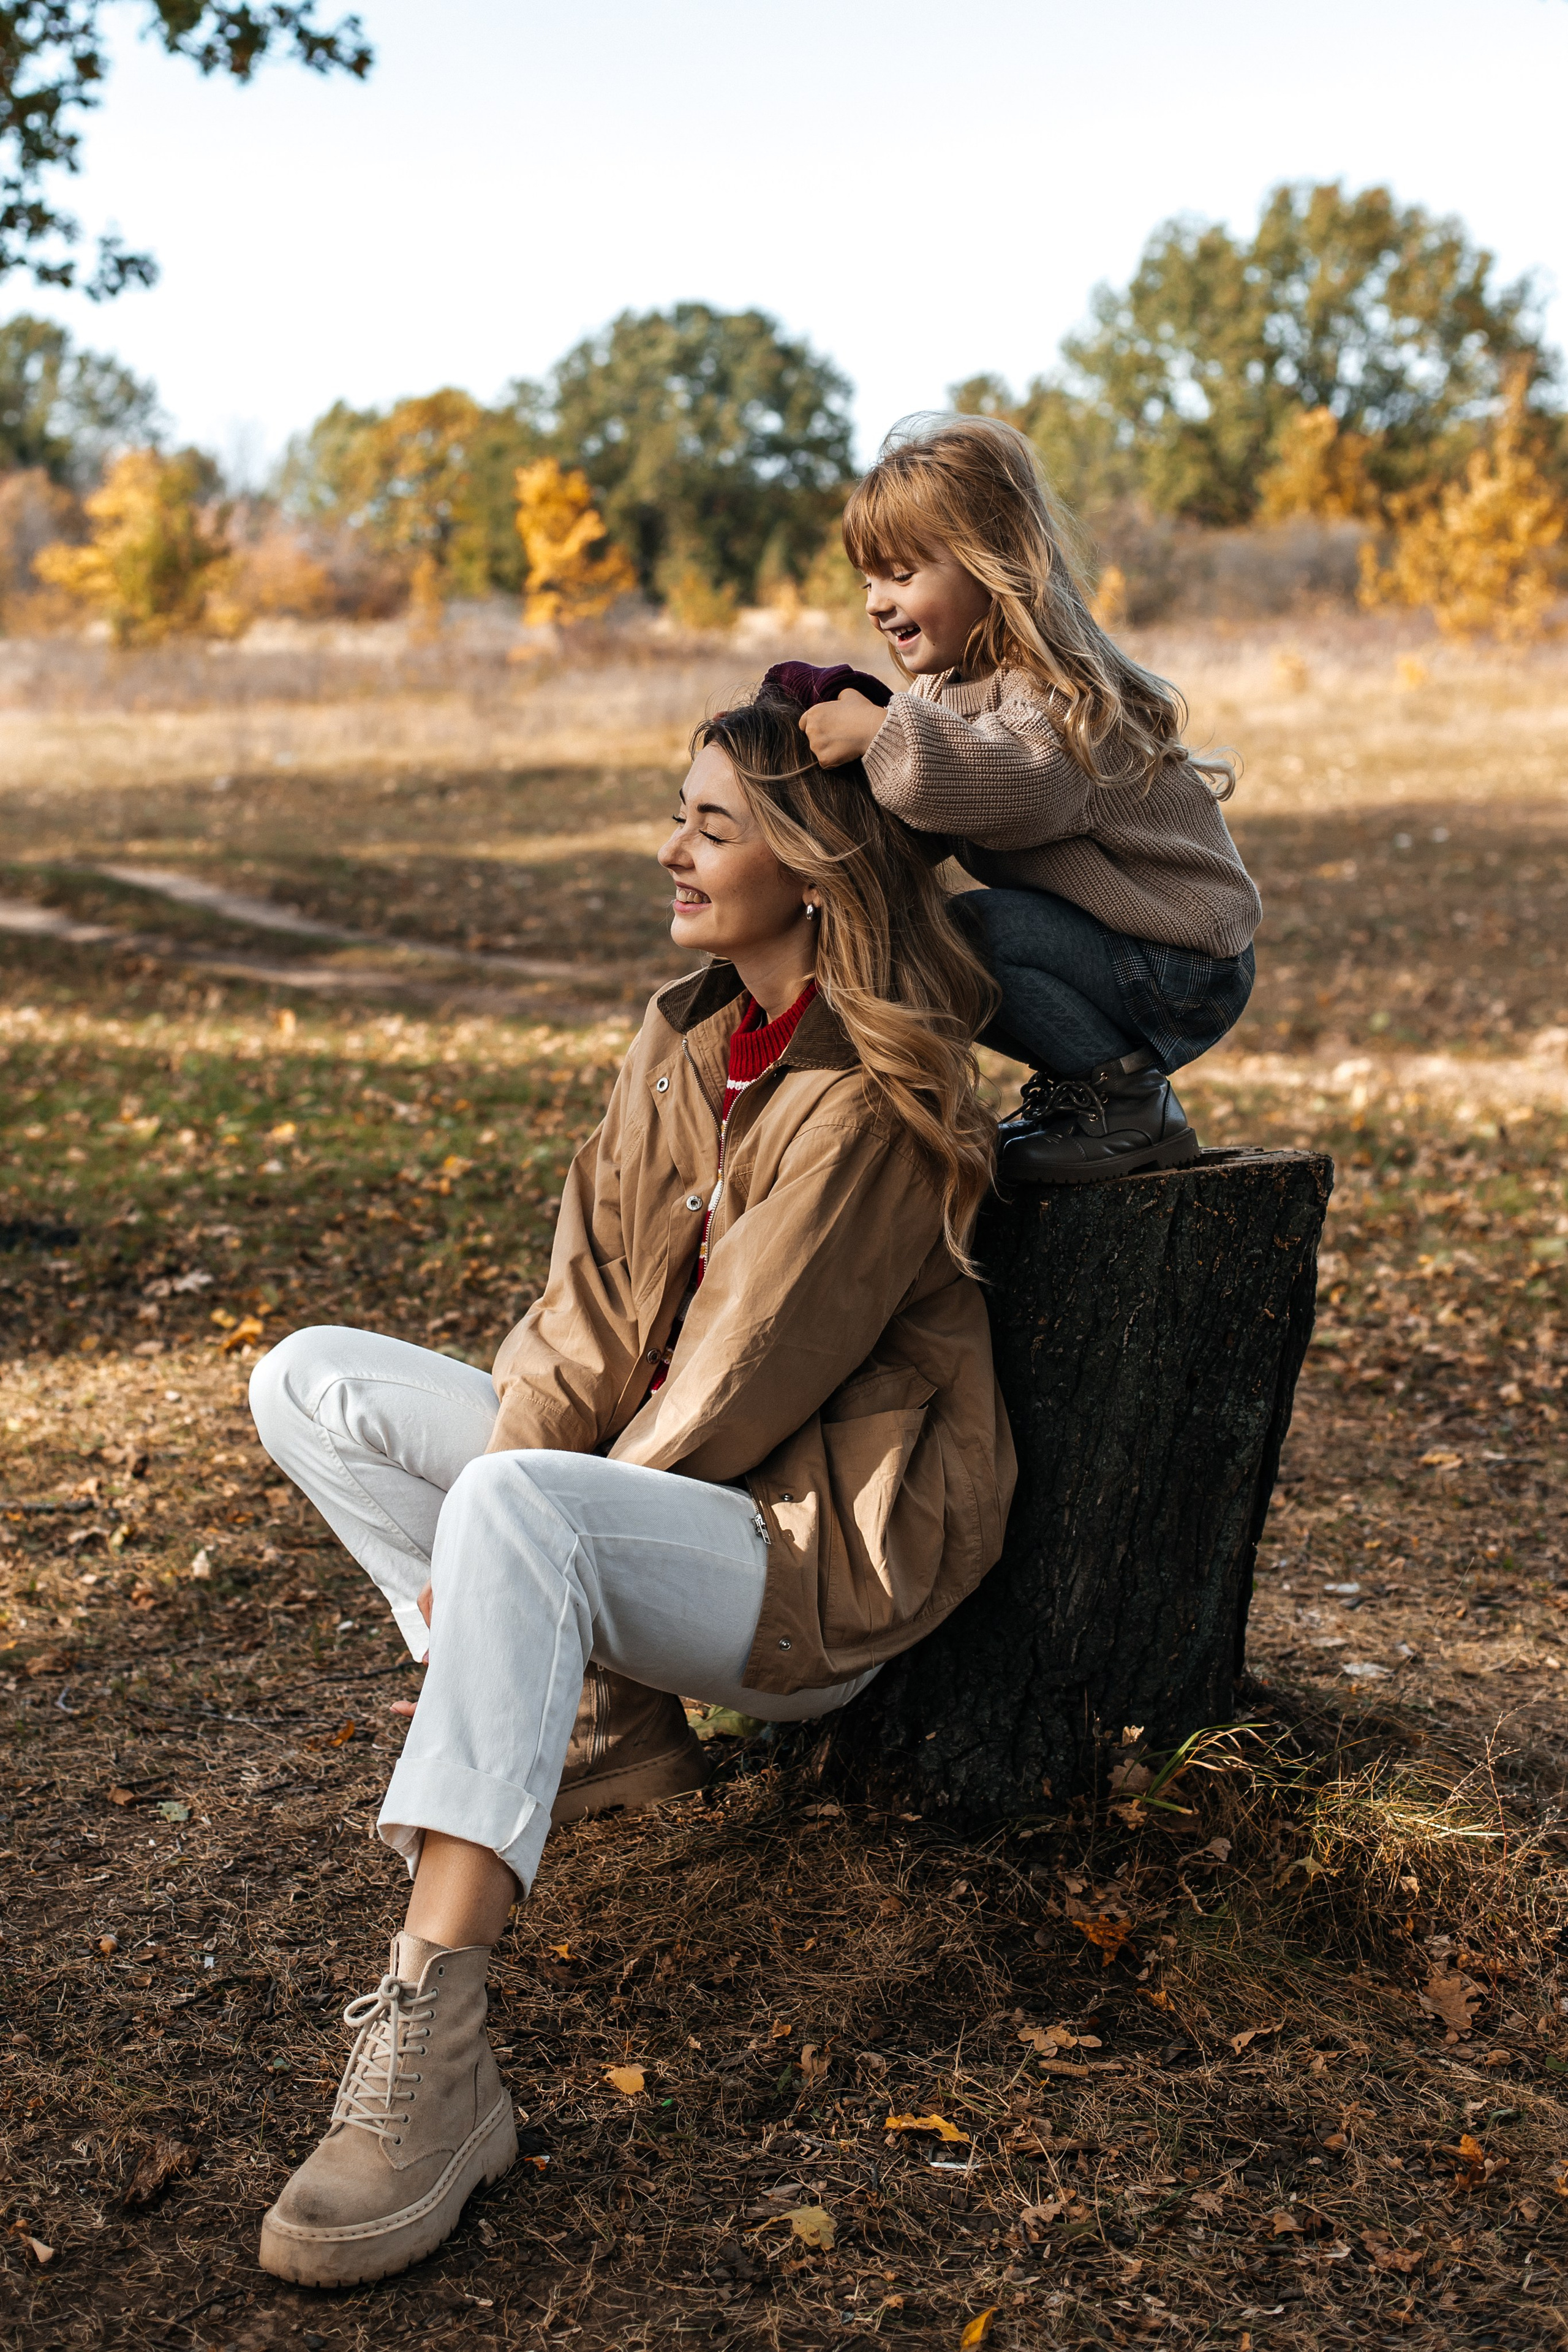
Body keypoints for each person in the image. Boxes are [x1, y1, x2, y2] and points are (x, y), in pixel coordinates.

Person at [246, 678, 1017, 2288]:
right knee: (309, 1377)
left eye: (710, 825)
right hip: (640, 1510)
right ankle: (594, 1733)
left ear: (811, 864)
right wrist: (519, 1485)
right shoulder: (683, 1035)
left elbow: (741, 1382)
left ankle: (433, 2066)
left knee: (516, 1510)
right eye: (680, 811)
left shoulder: (875, 1091)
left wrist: (517, 1521)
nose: (672, 849)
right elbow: (584, 1310)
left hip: (809, 1554)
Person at [795, 411, 1262, 1183]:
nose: (877, 602)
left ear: (992, 565)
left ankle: (1124, 1107)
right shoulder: (950, 696)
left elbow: (1017, 787)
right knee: (922, 937)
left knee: (972, 934)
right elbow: (920, 818)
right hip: (1120, 951)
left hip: (1185, 962)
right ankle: (1091, 1097)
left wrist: (882, 733)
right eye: (868, 580)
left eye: (903, 576)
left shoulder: (1058, 691)